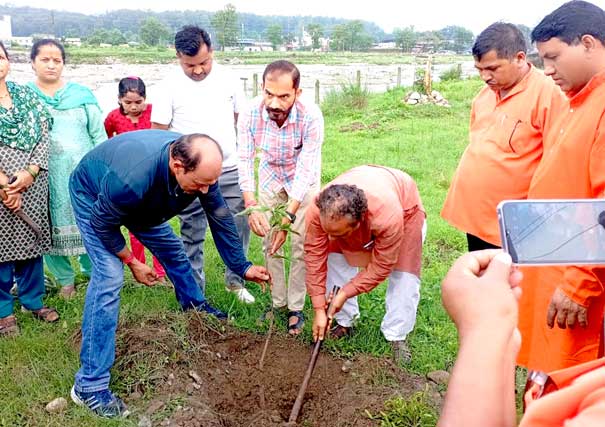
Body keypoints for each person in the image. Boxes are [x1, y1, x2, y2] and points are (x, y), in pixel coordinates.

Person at [68, 130, 271, 418]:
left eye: (209, 183)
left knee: (173, 250)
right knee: (109, 277)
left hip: (141, 202)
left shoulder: (201, 169)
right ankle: (89, 385)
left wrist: (242, 266)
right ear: (177, 166)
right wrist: (131, 261)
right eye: (200, 184)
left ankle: (195, 309)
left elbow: (220, 215)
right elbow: (103, 224)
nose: (205, 191)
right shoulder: (131, 181)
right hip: (95, 199)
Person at [517, 0, 605, 373]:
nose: (547, 71)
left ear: (588, 44)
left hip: (579, 276)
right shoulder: (576, 100)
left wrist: (580, 282)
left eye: (553, 58)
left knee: (570, 379)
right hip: (553, 263)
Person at [438, 250, 605, 427]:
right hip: (555, 262)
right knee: (544, 370)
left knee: (559, 382)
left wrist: (484, 330)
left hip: (579, 266)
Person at [151, 25, 254, 303]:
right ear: (178, 57)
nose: (198, 70)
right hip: (190, 176)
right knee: (192, 230)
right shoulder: (167, 86)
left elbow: (241, 122)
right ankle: (195, 287)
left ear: (212, 52)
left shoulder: (229, 79)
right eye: (190, 65)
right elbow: (158, 134)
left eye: (203, 63)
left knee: (235, 226)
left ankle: (236, 281)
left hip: (229, 169)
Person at [442, 22, 565, 251]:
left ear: (519, 58)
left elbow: (557, 162)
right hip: (475, 213)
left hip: (515, 221)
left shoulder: (548, 94)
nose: (485, 77)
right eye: (479, 70)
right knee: (480, 272)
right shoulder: (484, 95)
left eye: (493, 68)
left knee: (509, 281)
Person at [305, 165, 425, 363]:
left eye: (338, 233)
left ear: (360, 222)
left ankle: (396, 335)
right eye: (328, 231)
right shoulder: (319, 210)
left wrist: (344, 293)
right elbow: (314, 256)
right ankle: (344, 321)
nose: (330, 237)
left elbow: (382, 266)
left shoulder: (388, 217)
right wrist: (319, 308)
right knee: (333, 256)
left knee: (404, 274)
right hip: (350, 215)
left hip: (405, 209)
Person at [238, 60, 324, 335]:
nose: (274, 103)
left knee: (300, 242)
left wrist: (289, 216)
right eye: (269, 94)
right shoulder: (250, 113)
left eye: (283, 96)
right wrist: (251, 205)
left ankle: (295, 307)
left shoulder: (311, 116)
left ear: (297, 93)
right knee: (269, 241)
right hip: (270, 176)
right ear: (262, 88)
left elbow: (307, 167)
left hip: (303, 180)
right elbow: (244, 158)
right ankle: (277, 303)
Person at [27, 39, 106, 299]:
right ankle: (65, 281)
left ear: (63, 63)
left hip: (83, 175)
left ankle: (95, 274)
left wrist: (102, 170)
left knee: (89, 222)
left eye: (57, 60)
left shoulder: (81, 95)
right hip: (42, 175)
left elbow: (98, 134)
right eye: (44, 60)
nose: (51, 65)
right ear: (32, 63)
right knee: (49, 224)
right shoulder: (25, 96)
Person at [0, 41, 58, 335]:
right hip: (3, 189)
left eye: (0, 57)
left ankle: (32, 301)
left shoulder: (26, 96)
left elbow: (44, 134)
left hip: (32, 185)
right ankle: (3, 313)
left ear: (8, 61)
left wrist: (31, 171)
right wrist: (4, 185)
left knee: (31, 245)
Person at [104, 76, 166, 281]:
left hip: (153, 175)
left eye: (138, 102)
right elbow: (106, 140)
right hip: (128, 178)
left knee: (157, 222)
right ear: (119, 100)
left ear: (145, 99)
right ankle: (139, 267)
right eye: (128, 102)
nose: (133, 107)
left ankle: (161, 270)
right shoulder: (113, 117)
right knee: (133, 225)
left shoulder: (153, 113)